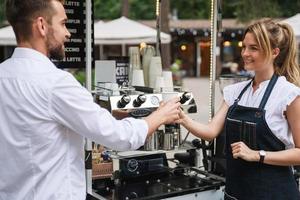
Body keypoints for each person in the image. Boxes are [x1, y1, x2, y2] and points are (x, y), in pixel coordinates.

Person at [0, 0, 180, 200]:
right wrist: (160, 115)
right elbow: (121, 137)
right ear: (42, 26)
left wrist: (107, 114)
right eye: (63, 23)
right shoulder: (56, 83)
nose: (68, 33)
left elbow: (37, 124)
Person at [178, 18, 300, 200]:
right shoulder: (235, 92)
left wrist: (257, 155)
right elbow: (210, 132)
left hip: (275, 193)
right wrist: (182, 117)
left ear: (275, 52)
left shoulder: (288, 95)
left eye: (254, 48)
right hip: (236, 193)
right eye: (244, 47)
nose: (244, 53)